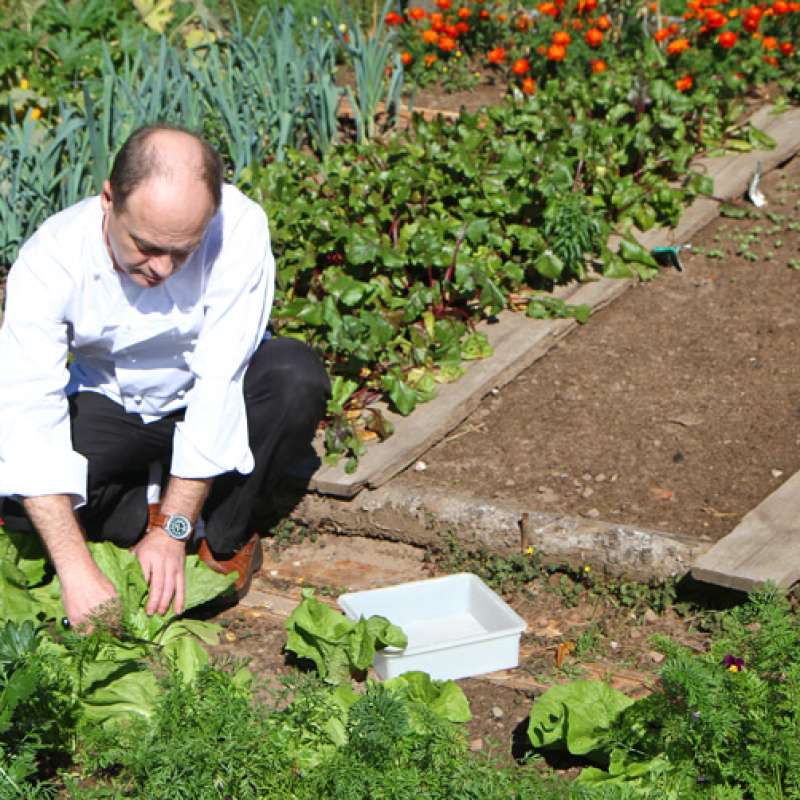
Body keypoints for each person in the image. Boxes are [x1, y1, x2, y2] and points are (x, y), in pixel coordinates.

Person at [0, 124, 330, 627]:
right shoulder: (51, 260)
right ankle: (138, 511)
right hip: (116, 398)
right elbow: (27, 413)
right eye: (146, 247)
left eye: (184, 251)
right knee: (23, 503)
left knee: (294, 376)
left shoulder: (239, 228)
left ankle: (222, 532)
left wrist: (173, 532)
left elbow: (219, 378)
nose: (163, 268)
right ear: (109, 200)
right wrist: (75, 569)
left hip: (213, 393)